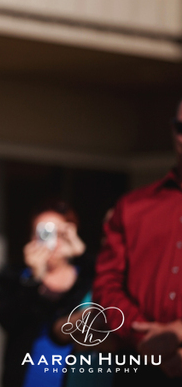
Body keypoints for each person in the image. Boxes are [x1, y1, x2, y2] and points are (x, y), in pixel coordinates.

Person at [93, 100, 182, 385]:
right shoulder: (132, 207)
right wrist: (145, 337)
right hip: (140, 370)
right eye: (181, 127)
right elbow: (106, 286)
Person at [0, 201, 97, 387]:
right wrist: (33, 279)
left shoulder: (87, 276)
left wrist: (82, 253)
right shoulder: (18, 279)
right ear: (32, 236)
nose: (51, 241)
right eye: (43, 232)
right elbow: (6, 320)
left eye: (59, 233)